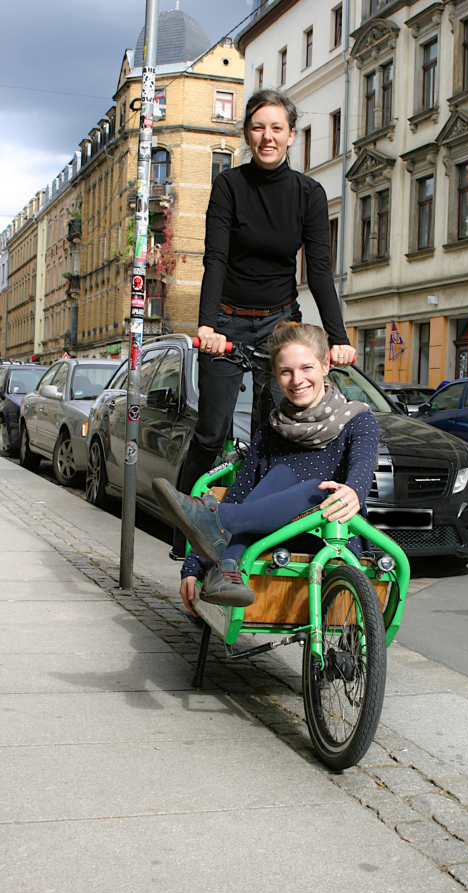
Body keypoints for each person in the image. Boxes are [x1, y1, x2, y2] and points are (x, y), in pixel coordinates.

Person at [172, 88, 355, 557]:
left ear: (291, 135)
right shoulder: (230, 185)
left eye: (277, 128)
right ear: (247, 135)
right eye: (258, 128)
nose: (267, 136)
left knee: (272, 435)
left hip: (278, 323)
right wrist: (207, 326)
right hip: (228, 322)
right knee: (212, 430)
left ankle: (249, 534)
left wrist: (338, 338)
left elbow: (318, 270)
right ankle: (184, 529)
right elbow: (215, 258)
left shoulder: (309, 194)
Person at [152, 323, 379, 610]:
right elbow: (242, 496)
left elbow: (362, 468)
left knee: (322, 491)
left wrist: (353, 491)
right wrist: (194, 566)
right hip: (269, 542)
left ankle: (216, 522)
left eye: (306, 368)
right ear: (275, 375)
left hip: (332, 541)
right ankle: (225, 564)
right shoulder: (271, 430)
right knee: (280, 475)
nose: (297, 380)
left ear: (325, 366)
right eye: (286, 372)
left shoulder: (358, 419)